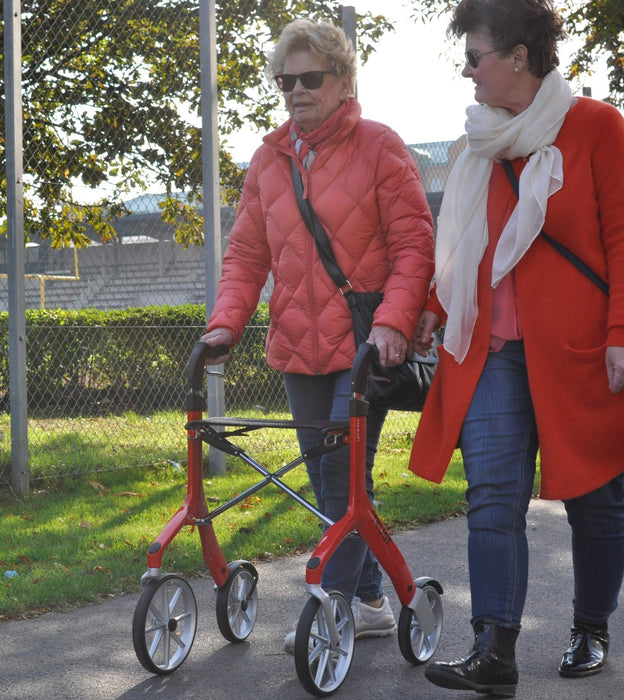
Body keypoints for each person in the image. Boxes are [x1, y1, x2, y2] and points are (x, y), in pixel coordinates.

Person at [408, 0, 624, 696]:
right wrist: (434, 307)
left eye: (476, 55)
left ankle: (591, 625)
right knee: (492, 495)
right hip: (491, 350)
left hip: (581, 350)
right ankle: (495, 649)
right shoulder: (478, 142)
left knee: (595, 498)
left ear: (518, 56)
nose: (467, 70)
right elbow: (466, 246)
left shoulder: (597, 128)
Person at [200, 18, 435, 653]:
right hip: (298, 349)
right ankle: (369, 601)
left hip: (364, 346)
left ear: (342, 80)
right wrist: (226, 322)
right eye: (286, 80)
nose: (296, 91)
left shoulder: (380, 146)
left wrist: (393, 322)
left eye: (310, 78)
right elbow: (247, 257)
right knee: (328, 475)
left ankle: (330, 607)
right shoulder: (269, 159)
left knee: (340, 479)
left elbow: (416, 245)